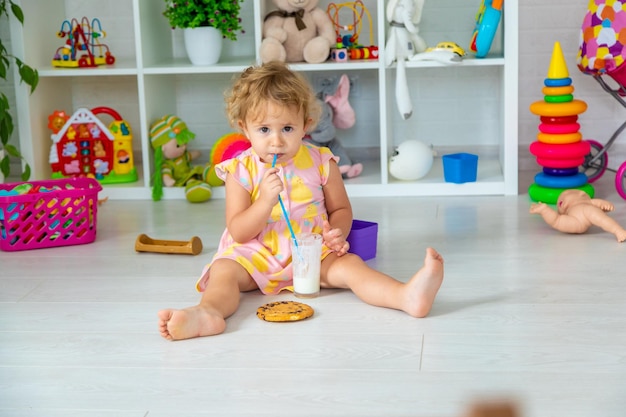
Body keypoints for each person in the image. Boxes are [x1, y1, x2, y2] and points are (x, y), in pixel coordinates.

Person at [158, 61, 444, 341]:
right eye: (264, 130)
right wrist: (265, 201)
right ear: (244, 128)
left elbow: (341, 209)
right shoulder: (240, 170)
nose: (277, 142)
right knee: (223, 272)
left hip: (312, 250)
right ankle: (207, 313)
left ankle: (405, 296)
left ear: (305, 124)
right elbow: (239, 231)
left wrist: (336, 234)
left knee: (351, 266)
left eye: (287, 129)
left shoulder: (322, 161)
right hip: (254, 255)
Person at [530, 189, 626, 242]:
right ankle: (544, 210)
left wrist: (604, 205)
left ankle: (618, 231)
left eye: (565, 195)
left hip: (586, 211)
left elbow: (600, 204)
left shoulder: (587, 201)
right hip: (576, 220)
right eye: (558, 203)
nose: (559, 201)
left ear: (581, 194)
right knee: (557, 221)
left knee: (602, 219)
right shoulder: (569, 211)